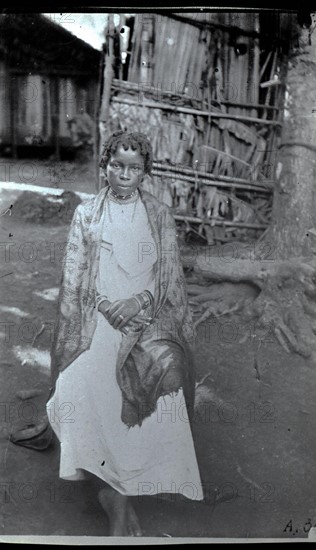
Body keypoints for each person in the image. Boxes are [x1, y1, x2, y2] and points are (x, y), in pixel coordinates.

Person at [47, 131, 203, 536]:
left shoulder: (159, 214)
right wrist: (105, 308)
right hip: (95, 315)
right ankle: (113, 493)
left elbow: (168, 276)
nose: (124, 174)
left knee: (168, 372)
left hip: (148, 314)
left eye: (134, 168)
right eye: (117, 165)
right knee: (85, 377)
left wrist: (139, 304)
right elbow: (75, 277)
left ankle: (123, 491)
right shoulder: (86, 213)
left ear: (145, 172)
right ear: (106, 165)